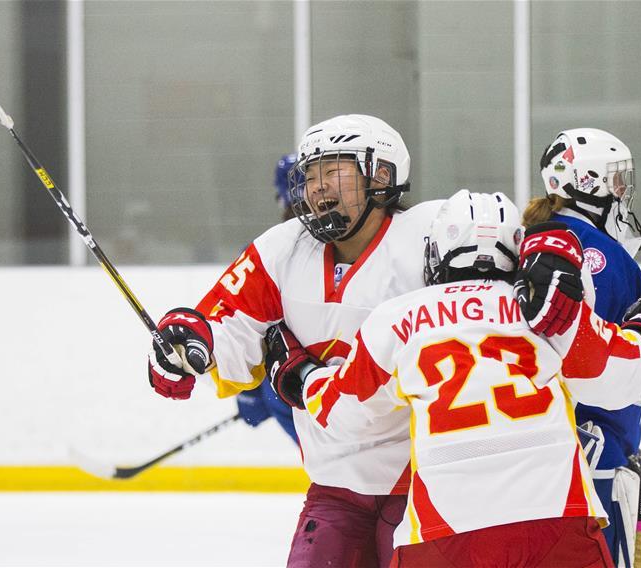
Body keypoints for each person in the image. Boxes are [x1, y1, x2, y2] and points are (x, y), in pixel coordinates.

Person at [270, 189, 641, 567]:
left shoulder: (397, 318)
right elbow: (620, 377)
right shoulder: (546, 312)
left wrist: (301, 376)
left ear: (436, 253)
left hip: (443, 536)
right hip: (556, 523)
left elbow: (345, 414)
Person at [146, 114, 443, 567]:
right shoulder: (280, 249)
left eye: (333, 171)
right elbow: (227, 336)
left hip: (432, 487)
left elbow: (502, 245)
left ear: (381, 176)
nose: (318, 187)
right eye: (310, 175)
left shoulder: (432, 235)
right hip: (336, 490)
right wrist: (189, 349)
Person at [519, 128, 641, 566]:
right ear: (585, 182)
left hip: (548, 462)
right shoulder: (596, 251)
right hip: (595, 462)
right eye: (615, 180)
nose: (622, 191)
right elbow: (610, 360)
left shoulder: (539, 236)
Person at [232, 154, 299, 443]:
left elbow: (247, 329)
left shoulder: (267, 251)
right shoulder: (356, 242)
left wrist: (252, 392)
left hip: (292, 383)